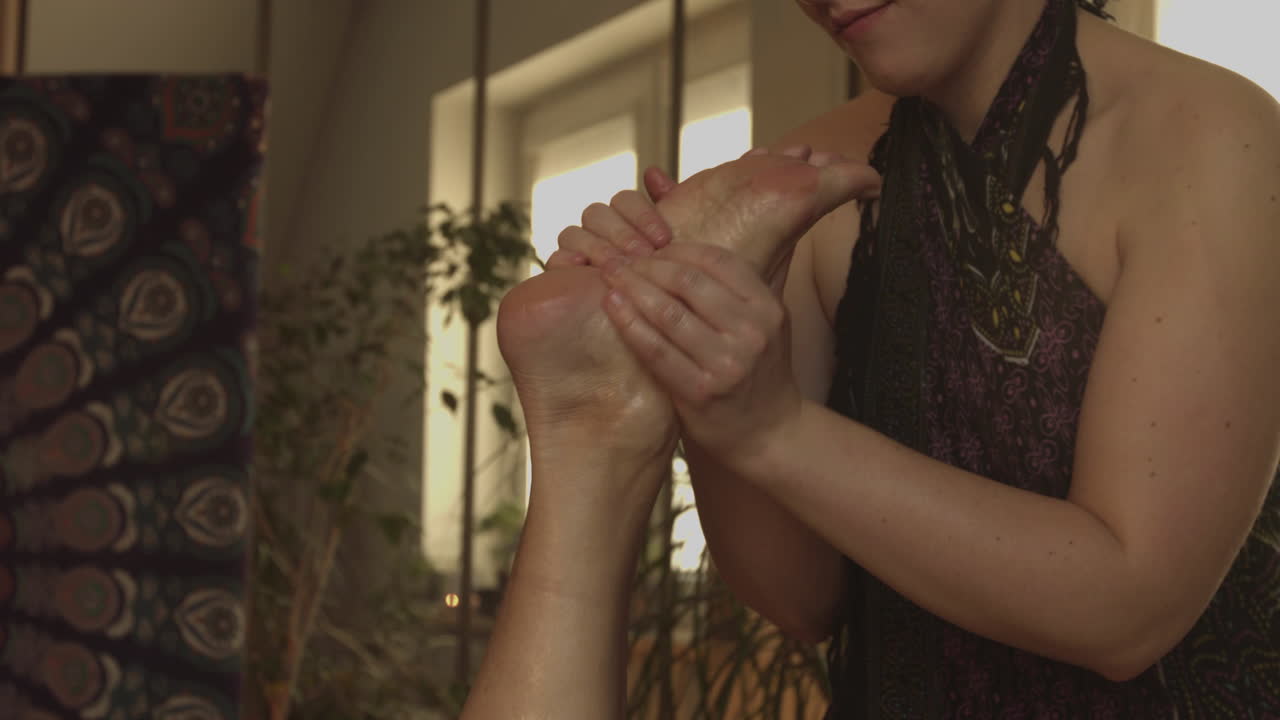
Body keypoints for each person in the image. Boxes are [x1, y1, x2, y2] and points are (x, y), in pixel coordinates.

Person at [472, 0, 1280, 716]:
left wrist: (772, 431)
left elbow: (1129, 613)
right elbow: (801, 599)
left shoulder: (1217, 140)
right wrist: (684, 348)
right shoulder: (796, 180)